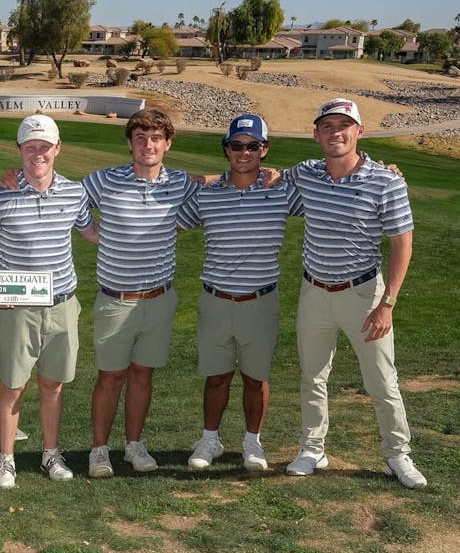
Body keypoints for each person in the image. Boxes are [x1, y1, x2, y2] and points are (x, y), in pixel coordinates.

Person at [284, 98, 427, 489]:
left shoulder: (386, 180)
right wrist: (209, 180)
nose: (336, 133)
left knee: (382, 381)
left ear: (359, 132)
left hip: (364, 294)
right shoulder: (306, 174)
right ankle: (313, 448)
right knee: (313, 376)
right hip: (314, 293)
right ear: (316, 135)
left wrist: (388, 304)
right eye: (327, 127)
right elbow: (257, 177)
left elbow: (402, 245)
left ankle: (398, 456)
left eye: (344, 125)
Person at [0, 114, 99, 489]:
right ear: (19, 150)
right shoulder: (1, 196)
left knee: (53, 384)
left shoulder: (75, 193)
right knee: (13, 385)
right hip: (19, 308)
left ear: (57, 149)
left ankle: (50, 453)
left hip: (62, 303)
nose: (38, 154)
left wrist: (140, 229)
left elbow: (91, 232)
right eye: (30, 147)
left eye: (44, 147)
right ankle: (7, 459)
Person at [178, 114, 303, 472]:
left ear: (264, 150)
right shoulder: (207, 194)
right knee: (216, 377)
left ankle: (253, 442)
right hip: (216, 300)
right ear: (226, 149)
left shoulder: (282, 191)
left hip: (260, 301)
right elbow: (170, 221)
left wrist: (388, 170)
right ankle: (210, 440)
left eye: (253, 145)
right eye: (237, 145)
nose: (244, 152)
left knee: (255, 378)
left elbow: (330, 185)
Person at [83, 108, 201, 478]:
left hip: (158, 299)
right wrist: (95, 235)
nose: (147, 145)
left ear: (167, 144)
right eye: (140, 138)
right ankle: (99, 450)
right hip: (116, 299)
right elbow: (66, 200)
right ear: (130, 143)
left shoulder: (180, 182)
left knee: (142, 375)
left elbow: (218, 186)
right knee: (110, 377)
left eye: (155, 139)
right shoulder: (104, 180)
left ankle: (134, 444)